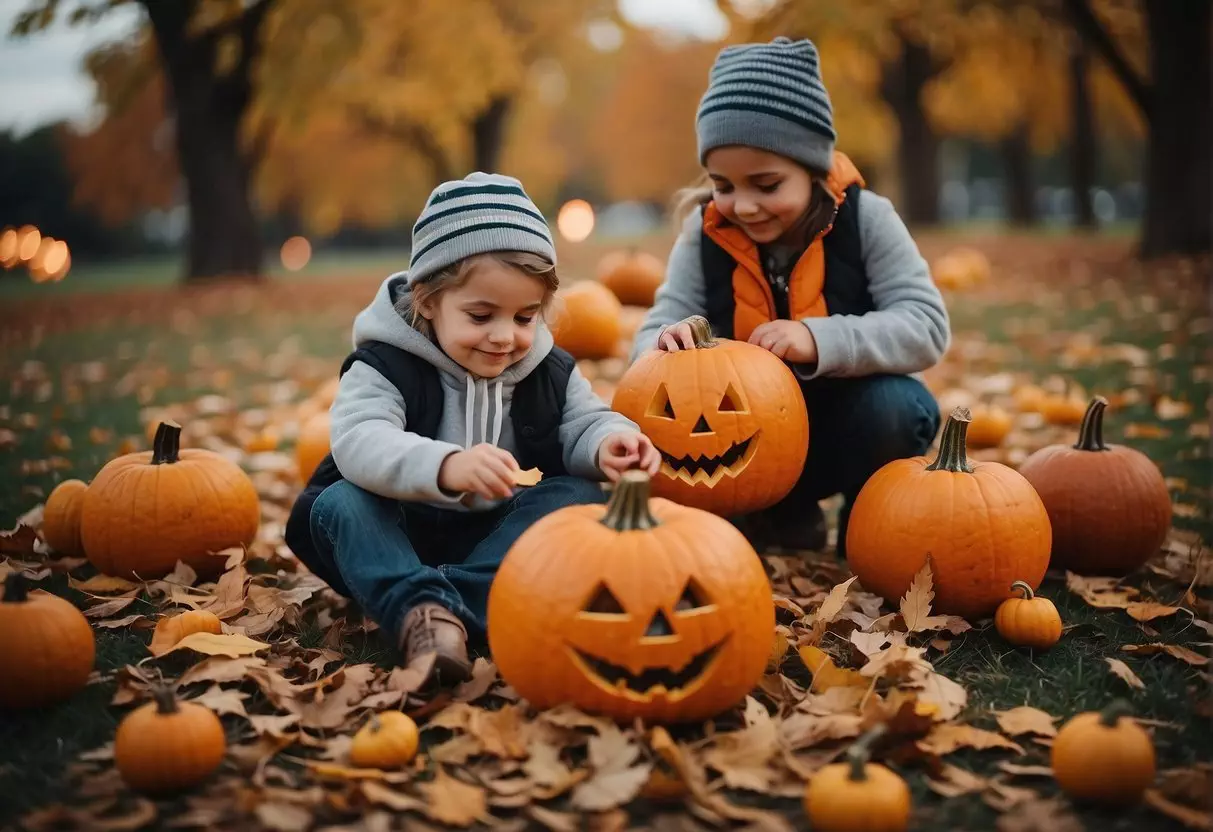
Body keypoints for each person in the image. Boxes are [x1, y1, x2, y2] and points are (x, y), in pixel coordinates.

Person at [287, 172, 660, 685]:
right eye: (481, 315)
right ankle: (435, 605)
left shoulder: (546, 370)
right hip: (395, 532)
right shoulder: (385, 363)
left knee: (577, 494)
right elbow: (359, 440)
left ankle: (437, 613)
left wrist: (606, 442)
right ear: (427, 301)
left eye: (526, 317)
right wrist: (445, 465)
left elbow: (582, 420)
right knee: (339, 504)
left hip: (490, 536)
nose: (505, 336)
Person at [631, 37, 950, 556]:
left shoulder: (866, 220)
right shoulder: (704, 232)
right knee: (748, 527)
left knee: (898, 408)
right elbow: (655, 325)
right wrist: (664, 342)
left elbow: (926, 326)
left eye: (766, 184)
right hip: (743, 436)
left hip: (846, 422)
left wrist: (818, 338)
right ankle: (781, 513)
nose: (745, 205)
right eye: (724, 185)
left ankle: (869, 516)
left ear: (813, 167)